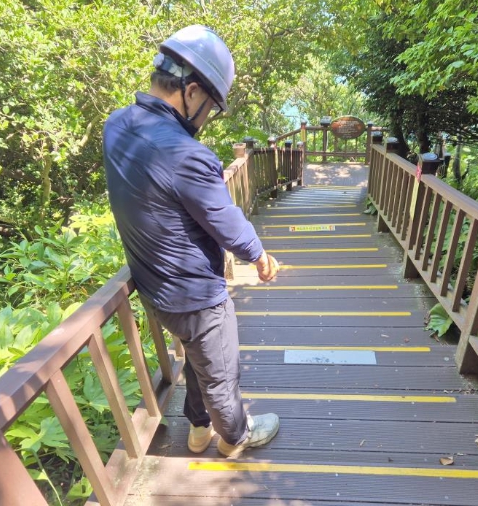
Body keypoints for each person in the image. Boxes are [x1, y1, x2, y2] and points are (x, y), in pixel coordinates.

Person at [102, 25, 280, 458]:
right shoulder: (187, 153)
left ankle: (199, 430)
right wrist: (258, 254)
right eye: (211, 106)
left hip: (153, 287)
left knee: (202, 358)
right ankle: (234, 437)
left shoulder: (117, 125)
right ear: (192, 91)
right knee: (221, 371)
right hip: (196, 294)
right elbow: (224, 219)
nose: (207, 115)